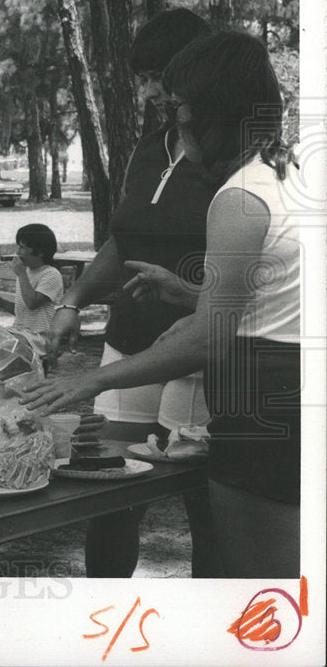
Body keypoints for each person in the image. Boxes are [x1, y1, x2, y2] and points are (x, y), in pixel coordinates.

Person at [24, 31, 301, 578]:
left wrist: (94, 381)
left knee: (252, 587)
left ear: (205, 111)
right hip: (287, 395)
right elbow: (279, 301)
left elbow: (208, 338)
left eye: (175, 108)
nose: (171, 120)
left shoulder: (239, 196)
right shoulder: (288, 174)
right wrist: (190, 293)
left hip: (262, 405)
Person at [44, 8, 218, 578]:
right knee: (110, 493)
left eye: (153, 77)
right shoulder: (149, 147)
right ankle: (104, 620)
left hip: (196, 350)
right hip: (128, 340)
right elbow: (123, 240)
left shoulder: (225, 152)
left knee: (204, 505)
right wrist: (73, 303)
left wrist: (188, 292)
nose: (144, 91)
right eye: (139, 78)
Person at [10, 223, 65, 358]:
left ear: (40, 252)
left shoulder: (51, 274)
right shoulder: (26, 272)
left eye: (22, 247)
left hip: (41, 337)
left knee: (10, 347)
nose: (18, 252)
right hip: (20, 332)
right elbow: (24, 310)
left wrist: (21, 274)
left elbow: (32, 303)